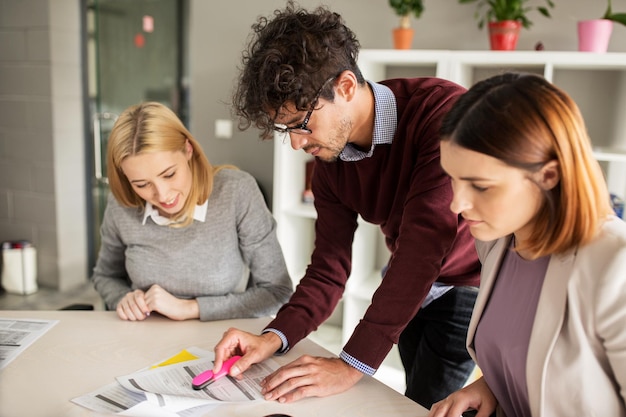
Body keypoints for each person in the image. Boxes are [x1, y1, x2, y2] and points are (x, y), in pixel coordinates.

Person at [212, 2, 481, 409]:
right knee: (411, 394)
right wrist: (272, 336)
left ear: (347, 87)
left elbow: (423, 247)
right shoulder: (330, 165)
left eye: (301, 124)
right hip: (411, 281)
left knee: (428, 402)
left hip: (467, 280)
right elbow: (328, 268)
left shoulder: (440, 115)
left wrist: (351, 365)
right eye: (286, 130)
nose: (297, 144)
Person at [429, 72, 626, 417]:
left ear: (548, 176)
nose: (457, 204)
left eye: (481, 186)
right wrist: (491, 385)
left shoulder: (614, 264)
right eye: (453, 179)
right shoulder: (499, 242)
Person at [92, 101, 293, 322]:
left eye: (169, 174)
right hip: (145, 338)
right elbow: (105, 276)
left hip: (220, 340)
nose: (162, 195)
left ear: (188, 149)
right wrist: (123, 297)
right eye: (142, 185)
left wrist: (190, 308)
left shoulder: (237, 191)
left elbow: (277, 292)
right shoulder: (121, 206)